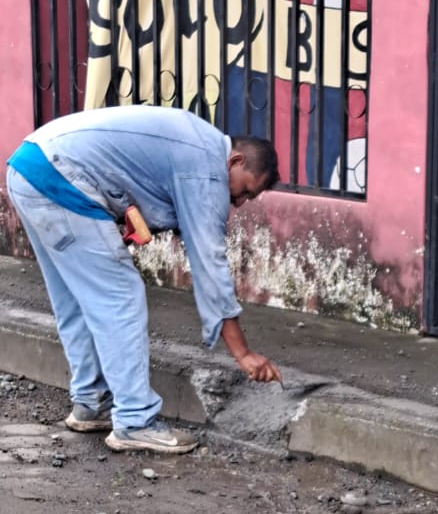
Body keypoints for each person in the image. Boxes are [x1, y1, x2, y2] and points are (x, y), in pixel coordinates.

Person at [6, 105, 282, 455]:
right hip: (60, 178)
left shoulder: (195, 140)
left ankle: (92, 401)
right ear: (235, 161)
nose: (239, 203)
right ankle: (135, 421)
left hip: (28, 169)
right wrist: (242, 353)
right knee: (120, 295)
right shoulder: (207, 170)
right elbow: (210, 265)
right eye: (244, 191)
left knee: (75, 297)